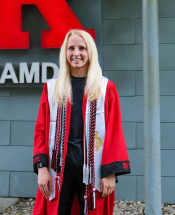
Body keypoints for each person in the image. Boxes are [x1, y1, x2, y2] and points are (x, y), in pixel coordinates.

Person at [32, 30, 131, 215]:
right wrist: (42, 168)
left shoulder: (105, 88)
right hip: (60, 170)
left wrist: (110, 173)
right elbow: (41, 130)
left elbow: (114, 131)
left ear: (90, 52)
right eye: (71, 48)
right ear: (65, 52)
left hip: (93, 168)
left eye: (82, 48)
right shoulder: (52, 88)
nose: (76, 53)